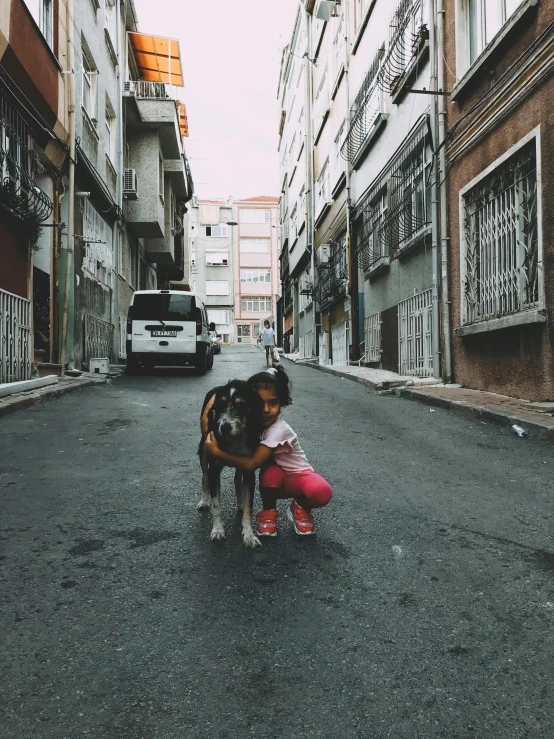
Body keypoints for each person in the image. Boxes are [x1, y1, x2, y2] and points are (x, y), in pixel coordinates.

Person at [203, 367, 332, 537]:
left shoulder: (278, 429)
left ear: (282, 402)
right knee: (268, 474)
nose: (265, 410)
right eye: (260, 403)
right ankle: (269, 511)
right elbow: (213, 406)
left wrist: (217, 453)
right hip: (276, 475)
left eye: (272, 403)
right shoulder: (256, 423)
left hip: (298, 476)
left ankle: (300, 506)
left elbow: (252, 464)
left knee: (320, 491)